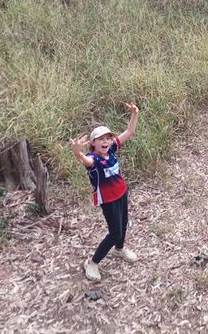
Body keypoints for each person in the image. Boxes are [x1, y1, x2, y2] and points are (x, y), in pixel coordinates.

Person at [71, 101, 140, 281]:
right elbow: (83, 159)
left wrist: (135, 114)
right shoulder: (93, 159)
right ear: (93, 143)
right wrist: (77, 151)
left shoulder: (111, 150)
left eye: (108, 138)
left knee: (123, 223)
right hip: (108, 200)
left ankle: (119, 249)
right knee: (114, 232)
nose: (106, 141)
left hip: (122, 193)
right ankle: (92, 262)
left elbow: (129, 132)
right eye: (101, 139)